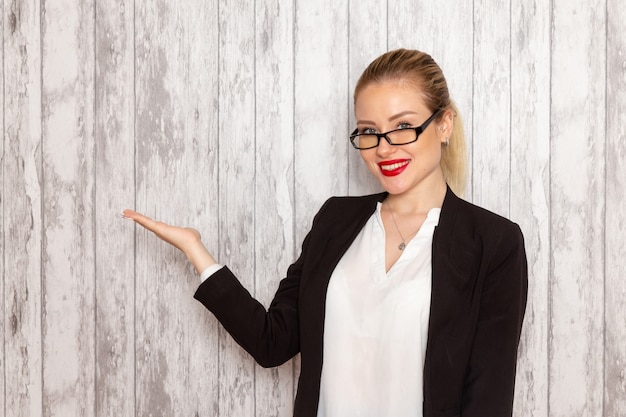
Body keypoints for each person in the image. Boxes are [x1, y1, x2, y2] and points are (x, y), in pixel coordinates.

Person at [123, 48, 528, 417]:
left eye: (402, 126)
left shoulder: (493, 243)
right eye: (368, 131)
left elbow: (488, 398)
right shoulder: (336, 221)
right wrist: (197, 252)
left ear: (443, 124)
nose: (383, 148)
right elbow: (272, 342)